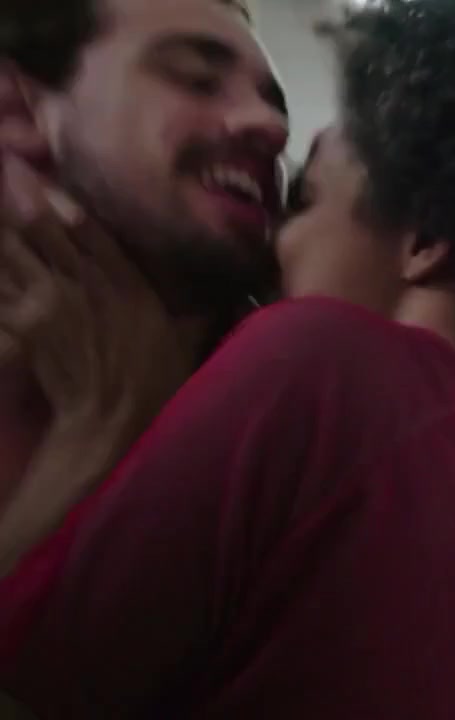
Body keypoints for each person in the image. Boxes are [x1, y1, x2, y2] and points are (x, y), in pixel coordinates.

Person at [0, 0, 455, 717]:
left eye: (303, 201)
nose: (273, 246)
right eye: (197, 81)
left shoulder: (322, 370)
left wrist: (99, 423)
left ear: (425, 242)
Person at [0, 0, 288, 571]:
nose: (275, 129)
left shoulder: (294, 424)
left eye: (273, 103)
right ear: (18, 112)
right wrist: (101, 425)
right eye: (199, 80)